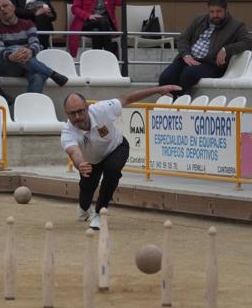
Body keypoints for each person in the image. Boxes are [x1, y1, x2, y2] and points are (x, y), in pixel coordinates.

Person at [61, 85, 180, 229]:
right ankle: (84, 208)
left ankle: (99, 214)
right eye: (72, 113)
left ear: (87, 107)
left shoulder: (102, 109)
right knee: (87, 189)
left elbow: (127, 98)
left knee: (112, 171)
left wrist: (157, 90)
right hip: (90, 161)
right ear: (66, 113)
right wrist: (80, 165)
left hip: (116, 147)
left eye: (80, 111)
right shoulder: (67, 132)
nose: (78, 117)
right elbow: (74, 152)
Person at [158, 0, 252, 95]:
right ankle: (172, 102)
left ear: (226, 10)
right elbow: (183, 38)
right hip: (189, 59)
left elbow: (247, 43)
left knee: (188, 73)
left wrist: (226, 49)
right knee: (165, 78)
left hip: (211, 64)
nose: (215, 15)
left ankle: (177, 101)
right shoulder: (200, 19)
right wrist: (186, 55)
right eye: (212, 12)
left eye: (219, 11)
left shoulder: (236, 25)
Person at [0, 0, 68, 93]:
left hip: (26, 63)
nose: (2, 9)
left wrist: (30, 51)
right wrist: (11, 56)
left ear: (13, 8)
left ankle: (30, 105)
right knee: (16, 49)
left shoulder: (28, 24)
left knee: (38, 77)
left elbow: (35, 44)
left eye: (5, 6)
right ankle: (52, 73)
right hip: (5, 65)